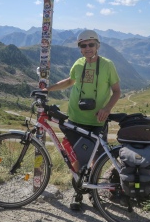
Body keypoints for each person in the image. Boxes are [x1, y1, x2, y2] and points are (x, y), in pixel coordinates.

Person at [45, 30, 121, 210]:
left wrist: (106, 109)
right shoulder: (78, 64)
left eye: (91, 44)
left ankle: (94, 194)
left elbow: (117, 91)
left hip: (97, 121)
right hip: (75, 119)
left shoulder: (108, 65)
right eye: (83, 45)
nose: (87, 48)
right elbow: (70, 82)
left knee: (96, 159)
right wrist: (49, 89)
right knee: (76, 158)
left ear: (98, 46)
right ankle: (78, 192)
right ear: (79, 48)